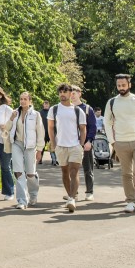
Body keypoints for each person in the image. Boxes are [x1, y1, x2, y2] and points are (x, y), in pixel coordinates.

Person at [104, 73, 135, 213]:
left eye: (123, 85)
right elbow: (106, 122)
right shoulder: (112, 102)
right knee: (126, 173)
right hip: (120, 142)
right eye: (119, 85)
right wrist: (112, 141)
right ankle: (131, 201)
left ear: (129, 85)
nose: (121, 87)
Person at [47, 84, 86, 212]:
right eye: (60, 92)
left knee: (74, 172)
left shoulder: (77, 110)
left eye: (65, 92)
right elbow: (51, 128)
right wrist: (53, 143)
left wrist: (81, 144)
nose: (62, 94)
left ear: (71, 94)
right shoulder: (54, 109)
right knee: (64, 172)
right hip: (61, 146)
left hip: (75, 145)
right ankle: (70, 195)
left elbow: (82, 128)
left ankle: (71, 198)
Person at [9, 92, 45, 209]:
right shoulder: (15, 113)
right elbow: (7, 128)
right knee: (18, 172)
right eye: (21, 99)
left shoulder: (36, 115)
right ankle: (22, 201)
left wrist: (39, 149)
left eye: (25, 99)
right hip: (17, 144)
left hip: (30, 146)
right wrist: (11, 119)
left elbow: (40, 133)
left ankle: (33, 194)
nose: (23, 101)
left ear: (30, 101)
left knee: (30, 174)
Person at [71, 85, 98, 201]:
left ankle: (89, 192)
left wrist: (89, 141)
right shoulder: (67, 108)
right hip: (71, 143)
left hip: (85, 143)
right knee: (72, 169)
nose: (72, 94)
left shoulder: (87, 109)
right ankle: (74, 193)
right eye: (70, 92)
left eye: (74, 92)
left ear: (79, 93)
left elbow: (92, 126)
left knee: (88, 169)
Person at [38, 100, 57, 166]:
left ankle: (54, 160)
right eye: (45, 104)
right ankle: (40, 159)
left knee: (52, 146)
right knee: (42, 146)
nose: (46, 105)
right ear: (43, 105)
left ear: (49, 105)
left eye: (47, 104)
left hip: (51, 132)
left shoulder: (51, 112)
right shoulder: (40, 113)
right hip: (43, 132)